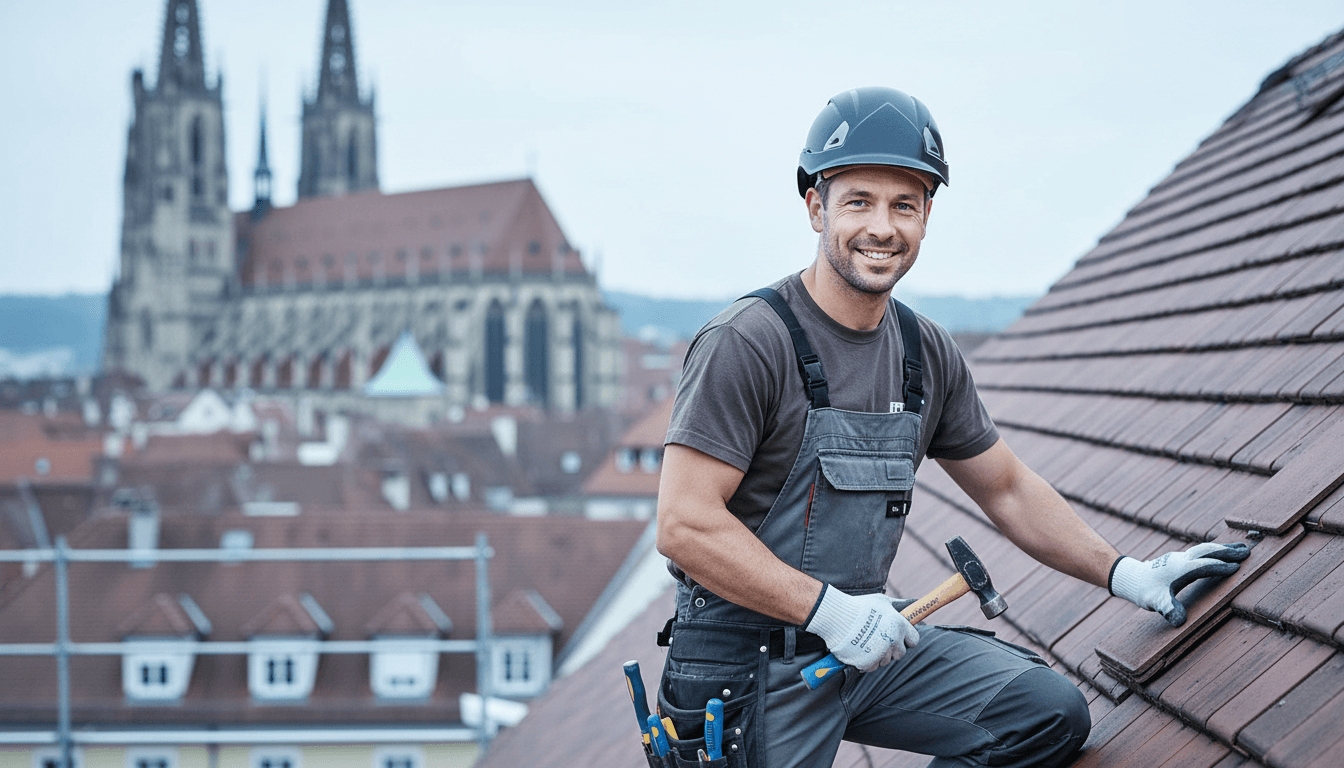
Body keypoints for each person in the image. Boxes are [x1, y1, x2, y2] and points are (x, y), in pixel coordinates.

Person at [653, 86, 1249, 768]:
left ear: (927, 215)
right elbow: (685, 523)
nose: (883, 227)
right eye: (859, 201)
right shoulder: (749, 341)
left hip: (864, 643)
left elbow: (1006, 488)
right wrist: (831, 613)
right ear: (816, 207)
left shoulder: (923, 351)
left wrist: (1124, 573)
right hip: (747, 664)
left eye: (904, 204)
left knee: (1042, 715)